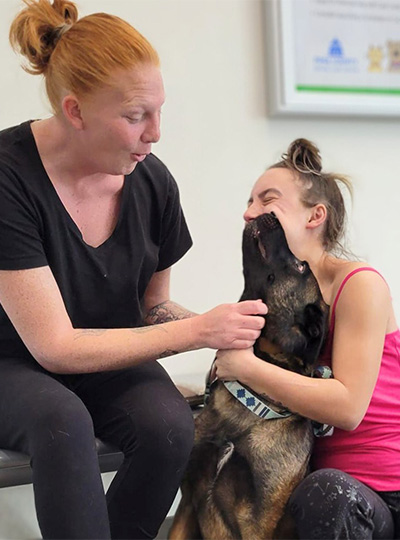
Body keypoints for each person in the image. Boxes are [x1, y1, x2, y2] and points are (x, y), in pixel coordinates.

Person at [0, 1, 268, 539]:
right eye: (135, 116)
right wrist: (196, 332)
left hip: (105, 358)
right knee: (62, 422)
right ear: (74, 112)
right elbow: (53, 346)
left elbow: (152, 309)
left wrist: (228, 335)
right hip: (13, 361)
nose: (155, 133)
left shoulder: (152, 181)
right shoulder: (9, 177)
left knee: (171, 426)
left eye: (159, 110)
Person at [215, 138, 400, 539]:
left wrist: (244, 367)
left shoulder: (360, 284)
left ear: (315, 215)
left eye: (267, 200)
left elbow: (348, 407)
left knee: (325, 493)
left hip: (381, 493)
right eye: (249, 201)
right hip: (312, 486)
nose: (249, 212)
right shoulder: (278, 295)